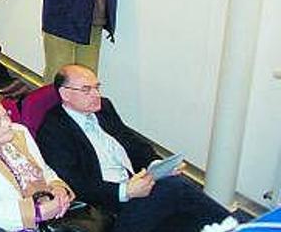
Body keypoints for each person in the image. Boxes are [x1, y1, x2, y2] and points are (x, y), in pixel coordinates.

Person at [37, 65, 237, 232]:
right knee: (175, 188)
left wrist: (156, 164)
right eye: (87, 89)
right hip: (109, 206)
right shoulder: (53, 130)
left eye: (97, 87)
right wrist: (125, 191)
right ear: (65, 94)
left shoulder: (104, 108)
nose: (96, 95)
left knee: (187, 216)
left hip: (136, 187)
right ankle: (239, 226)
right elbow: (75, 183)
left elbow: (130, 141)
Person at [0, 86, 104, 232]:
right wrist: (37, 213)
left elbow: (44, 169)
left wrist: (58, 188)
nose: (8, 124)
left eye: (6, 115)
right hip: (21, 225)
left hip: (52, 209)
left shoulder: (20, 132)